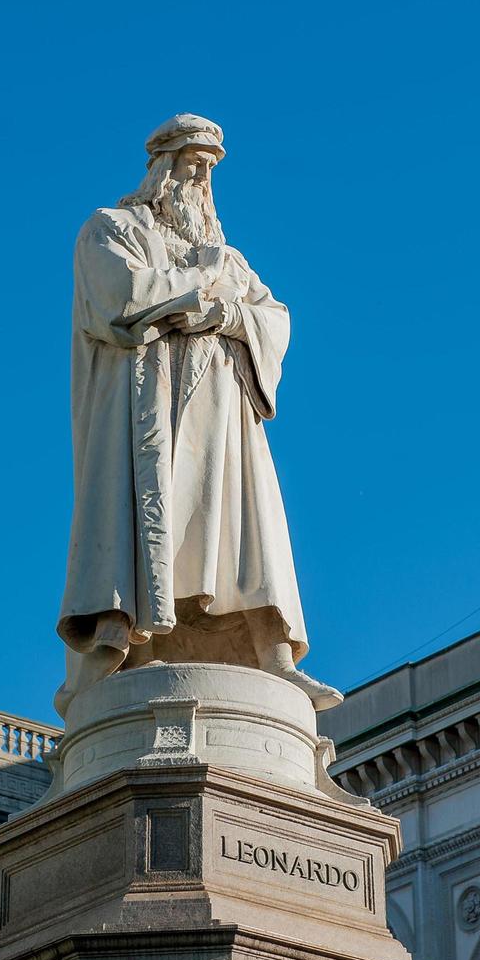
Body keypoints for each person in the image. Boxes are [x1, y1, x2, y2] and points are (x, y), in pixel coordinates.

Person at [55, 114, 341, 720]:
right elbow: (121, 299)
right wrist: (200, 287)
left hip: (223, 420)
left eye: (210, 167)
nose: (202, 178)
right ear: (161, 166)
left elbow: (275, 318)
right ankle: (133, 648)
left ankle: (273, 658)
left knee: (243, 528)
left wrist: (231, 317)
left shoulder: (226, 256)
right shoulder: (112, 228)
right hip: (146, 414)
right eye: (193, 163)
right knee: (147, 528)